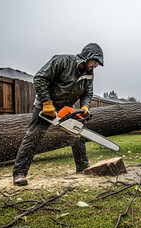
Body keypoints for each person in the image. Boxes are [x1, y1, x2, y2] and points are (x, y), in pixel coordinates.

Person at [12, 43, 104, 186]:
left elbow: (87, 93)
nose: (96, 66)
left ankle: (82, 166)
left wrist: (85, 106)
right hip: (45, 105)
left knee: (77, 133)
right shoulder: (62, 61)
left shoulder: (89, 74)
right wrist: (47, 102)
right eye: (95, 62)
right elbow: (39, 78)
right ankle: (19, 173)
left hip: (66, 107)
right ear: (87, 57)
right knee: (33, 137)